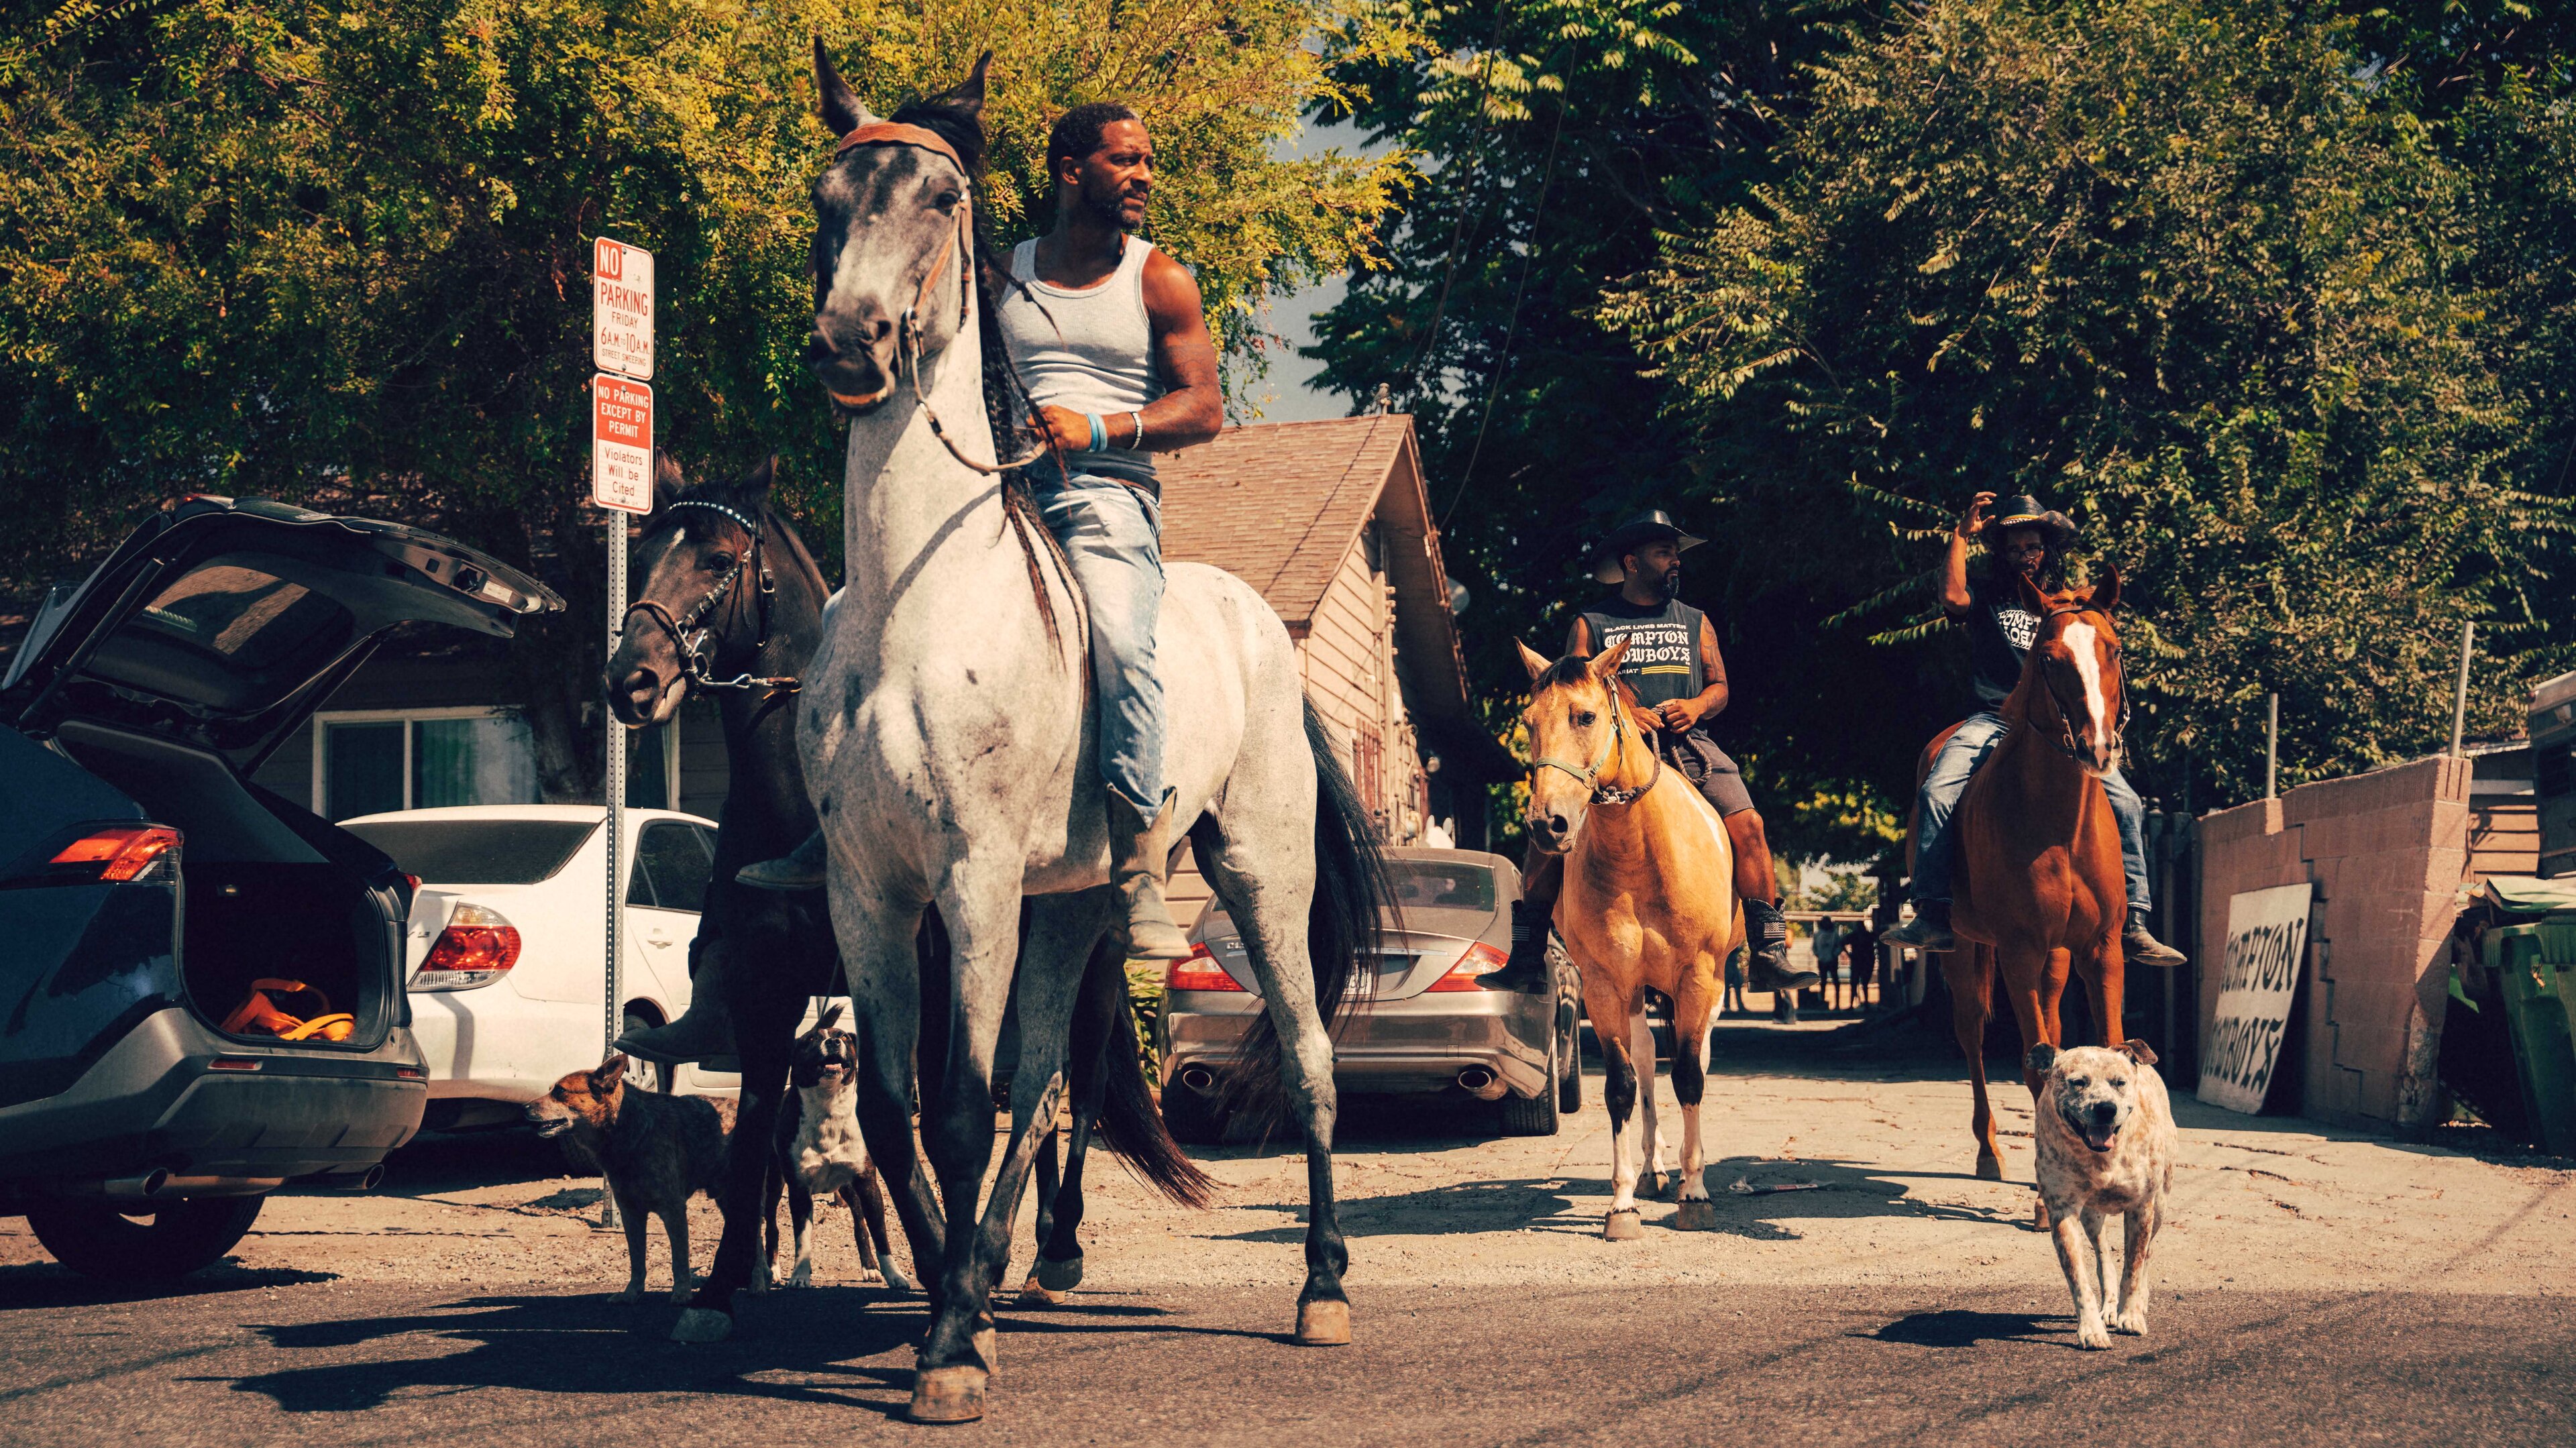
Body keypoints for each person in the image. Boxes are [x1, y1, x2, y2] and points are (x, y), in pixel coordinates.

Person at [735, 102, 1222, 966]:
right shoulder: (1001, 275)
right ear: (1071, 170)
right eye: (1126, 160)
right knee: (855, 610)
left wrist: (1101, 428)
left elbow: (1204, 409)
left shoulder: (1160, 281)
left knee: (1119, 633)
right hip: (996, 486)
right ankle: (838, 824)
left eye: (1148, 161)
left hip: (1104, 497)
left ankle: (1139, 863)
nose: (1144, 175)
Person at [1489, 510, 1818, 996]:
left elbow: (1721, 686)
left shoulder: (1695, 621)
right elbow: (1572, 690)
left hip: (1689, 744)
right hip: (1610, 746)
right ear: (1633, 561)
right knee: (1547, 828)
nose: (1674, 563)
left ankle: (1767, 950)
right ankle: (1527, 956)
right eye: (1664, 554)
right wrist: (1627, 709)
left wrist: (1697, 704)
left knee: (1749, 824)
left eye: (1675, 555)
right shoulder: (1591, 623)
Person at [1883, 493, 2188, 966]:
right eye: (2015, 546)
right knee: (1938, 792)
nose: (2025, 553)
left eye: (2033, 545)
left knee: (2127, 801)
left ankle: (2135, 923)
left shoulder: (2068, 601)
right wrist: (1961, 537)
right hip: (1993, 719)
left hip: (2059, 728)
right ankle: (1933, 911)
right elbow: (1951, 597)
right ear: (2002, 553)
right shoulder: (1987, 596)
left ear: (2047, 549)